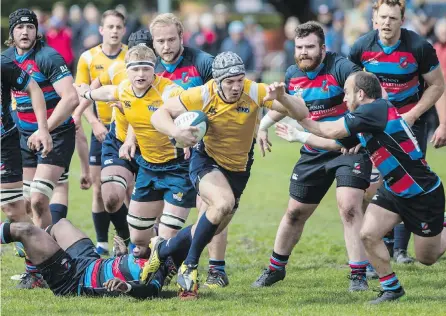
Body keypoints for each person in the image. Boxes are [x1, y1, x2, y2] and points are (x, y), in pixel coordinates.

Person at [143, 51, 309, 300]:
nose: (235, 86)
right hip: (206, 162)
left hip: (239, 170)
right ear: (218, 81)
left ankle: (162, 249)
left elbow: (301, 112)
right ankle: (189, 267)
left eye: (239, 80)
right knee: (222, 204)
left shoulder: (253, 91)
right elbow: (159, 114)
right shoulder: (203, 93)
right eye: (229, 82)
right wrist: (175, 133)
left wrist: (283, 97)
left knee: (210, 226)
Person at [284, 71, 446, 304]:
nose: (344, 99)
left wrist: (301, 117)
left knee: (427, 257)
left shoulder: (375, 110)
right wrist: (299, 136)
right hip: (394, 190)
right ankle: (391, 288)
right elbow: (333, 143)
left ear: (360, 94)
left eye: (347, 93)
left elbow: (330, 130)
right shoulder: (366, 120)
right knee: (367, 234)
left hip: (421, 193)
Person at [253, 21, 372, 291]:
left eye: (310, 47)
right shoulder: (294, 73)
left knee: (349, 207)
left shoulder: (340, 67)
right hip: (314, 148)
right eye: (299, 47)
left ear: (323, 48)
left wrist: (361, 136)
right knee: (294, 213)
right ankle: (275, 268)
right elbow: (293, 105)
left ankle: (358, 275)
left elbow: (365, 96)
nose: (304, 52)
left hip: (348, 149)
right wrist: (263, 125)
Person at [349, 0, 446, 264]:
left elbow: (437, 86)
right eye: (382, 17)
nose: (386, 23)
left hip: (409, 123)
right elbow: (350, 88)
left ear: (402, 21)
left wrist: (418, 115)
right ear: (374, 19)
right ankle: (380, 248)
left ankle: (404, 248)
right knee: (368, 185)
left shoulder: (419, 47)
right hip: (374, 125)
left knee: (407, 184)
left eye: (393, 18)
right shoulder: (361, 47)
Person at [74, 45, 196, 258]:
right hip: (148, 167)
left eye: (146, 69)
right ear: (127, 70)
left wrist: (185, 134)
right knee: (140, 241)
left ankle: (180, 265)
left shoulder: (169, 91)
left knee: (166, 238)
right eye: (136, 69)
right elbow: (108, 91)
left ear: (154, 69)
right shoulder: (125, 89)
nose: (141, 74)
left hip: (176, 166)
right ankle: (155, 249)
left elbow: (189, 111)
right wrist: (87, 93)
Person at [150, 12, 232, 289]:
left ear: (182, 36)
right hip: (161, 148)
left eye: (171, 39)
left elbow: (224, 101)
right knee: (163, 212)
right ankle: (163, 262)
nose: (166, 46)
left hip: (203, 148)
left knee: (211, 205)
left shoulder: (203, 63)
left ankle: (216, 269)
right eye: (160, 41)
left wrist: (200, 137)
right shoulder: (149, 69)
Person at [3, 8, 78, 232]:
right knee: (26, 203)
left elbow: (71, 98)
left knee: (38, 199)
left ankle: (49, 258)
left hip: (57, 134)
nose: (25, 32)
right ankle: (42, 251)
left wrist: (45, 130)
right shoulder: (6, 59)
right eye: (19, 27)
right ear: (12, 32)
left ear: (37, 31)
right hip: (23, 136)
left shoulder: (48, 57)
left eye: (30, 27)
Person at [0, 219, 174, 298]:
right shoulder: (142, 257)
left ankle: (35, 255)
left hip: (73, 280)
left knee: (25, 230)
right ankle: (35, 273)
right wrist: (119, 256)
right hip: (91, 261)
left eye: (151, 234)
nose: (142, 236)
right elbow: (122, 270)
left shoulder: (156, 272)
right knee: (61, 225)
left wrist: (127, 288)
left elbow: (149, 291)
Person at [74, 9, 128, 255]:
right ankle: (101, 243)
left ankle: (127, 240)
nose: (114, 31)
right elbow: (81, 94)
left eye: (118, 27)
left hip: (128, 129)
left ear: (123, 30)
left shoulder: (131, 56)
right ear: (101, 29)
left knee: (128, 189)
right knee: (99, 188)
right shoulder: (87, 57)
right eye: (110, 26)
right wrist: (94, 122)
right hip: (101, 129)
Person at [1, 55, 53, 289]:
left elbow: (33, 88)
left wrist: (43, 128)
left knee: (14, 210)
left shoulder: (3, 64)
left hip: (3, 145)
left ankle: (42, 268)